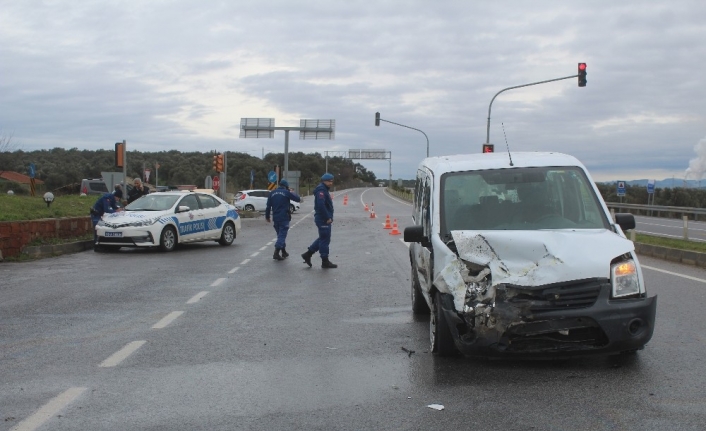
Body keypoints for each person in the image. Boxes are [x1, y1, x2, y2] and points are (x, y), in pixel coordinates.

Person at [301, 173, 337, 269]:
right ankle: (325, 261)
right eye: (329, 181)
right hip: (323, 219)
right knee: (325, 240)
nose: (331, 183)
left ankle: (308, 254)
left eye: (332, 181)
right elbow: (321, 206)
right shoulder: (321, 190)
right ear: (324, 181)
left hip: (323, 218)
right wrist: (327, 217)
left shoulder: (324, 189)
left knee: (323, 238)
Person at [265, 179, 301, 261]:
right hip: (284, 217)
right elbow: (298, 199)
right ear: (286, 186)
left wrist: (267, 217)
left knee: (280, 235)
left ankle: (283, 251)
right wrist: (291, 192)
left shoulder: (272, 193)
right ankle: (276, 253)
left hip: (276, 218)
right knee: (282, 235)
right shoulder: (286, 193)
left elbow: (268, 206)